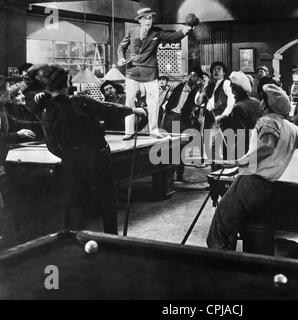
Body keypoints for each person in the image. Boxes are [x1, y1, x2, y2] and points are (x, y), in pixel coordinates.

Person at [206, 84, 298, 250]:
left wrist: (240, 161)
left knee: (219, 231)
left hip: (249, 183)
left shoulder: (266, 121)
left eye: (261, 100)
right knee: (243, 229)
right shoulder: (293, 129)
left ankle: (218, 269)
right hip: (266, 188)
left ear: (264, 104)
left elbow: (268, 146)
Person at [35, 65, 146, 235]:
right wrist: (133, 110)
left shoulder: (46, 111)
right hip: (96, 155)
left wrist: (69, 154)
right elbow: (109, 109)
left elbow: (51, 144)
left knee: (76, 201)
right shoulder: (79, 101)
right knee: (107, 198)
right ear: (66, 84)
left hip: (70, 159)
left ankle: (73, 240)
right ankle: (111, 238)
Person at [117, 7, 194, 140]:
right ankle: (129, 132)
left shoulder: (157, 32)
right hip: (132, 71)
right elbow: (121, 47)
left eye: (150, 18)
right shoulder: (131, 31)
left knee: (153, 101)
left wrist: (185, 30)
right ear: (140, 20)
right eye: (145, 18)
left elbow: (172, 37)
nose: (148, 20)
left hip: (150, 72)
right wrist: (120, 57)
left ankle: (154, 130)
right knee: (129, 102)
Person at [161, 68, 202, 181]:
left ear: (197, 79)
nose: (190, 77)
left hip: (183, 120)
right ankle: (166, 174)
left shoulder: (197, 90)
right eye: (189, 74)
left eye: (194, 75)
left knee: (181, 146)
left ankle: (179, 173)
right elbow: (169, 99)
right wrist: (168, 109)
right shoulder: (179, 86)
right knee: (168, 144)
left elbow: (198, 104)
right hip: (171, 117)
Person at [196, 61, 235, 171]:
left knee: (217, 149)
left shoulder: (226, 83)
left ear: (224, 73)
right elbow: (198, 102)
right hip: (208, 119)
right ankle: (214, 176)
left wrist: (224, 115)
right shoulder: (209, 86)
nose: (216, 71)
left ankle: (220, 176)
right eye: (214, 69)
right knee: (210, 149)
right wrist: (201, 90)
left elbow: (232, 100)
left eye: (219, 69)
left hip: (220, 120)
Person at [228, 71, 261, 155]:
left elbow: (241, 136)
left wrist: (233, 155)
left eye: (232, 84)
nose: (230, 86)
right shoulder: (256, 102)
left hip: (245, 150)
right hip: (258, 146)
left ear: (235, 89)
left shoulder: (238, 107)